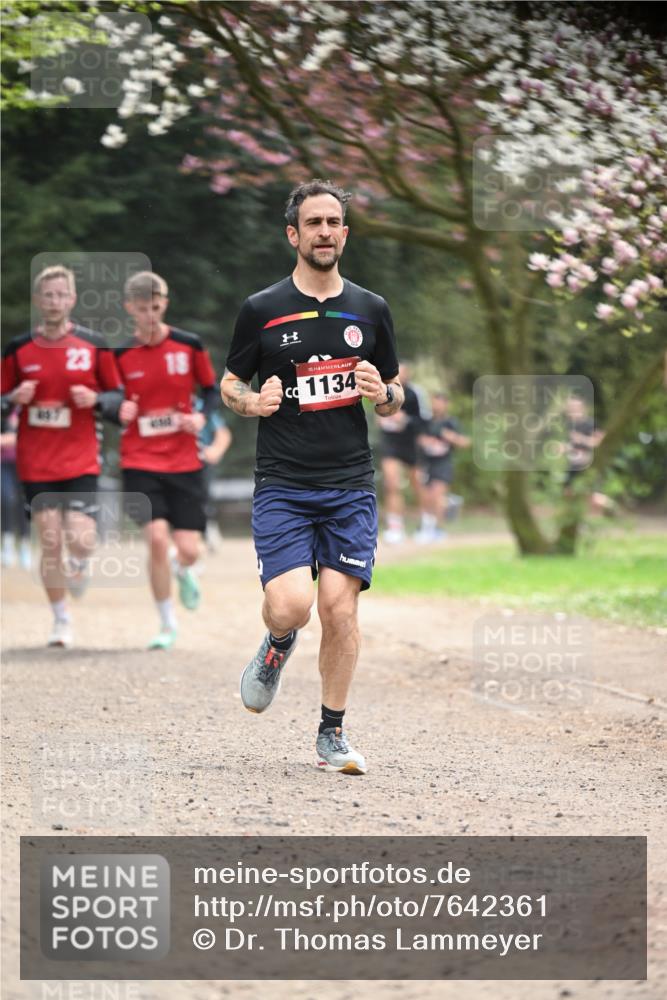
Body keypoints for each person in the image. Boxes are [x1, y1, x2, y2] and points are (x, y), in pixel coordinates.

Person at [222, 178, 404, 775]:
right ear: (293, 235)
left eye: (333, 223)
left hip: (350, 485)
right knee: (292, 606)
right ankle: (277, 644)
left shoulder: (371, 309)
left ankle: (332, 732)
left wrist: (385, 394)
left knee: (339, 610)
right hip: (284, 484)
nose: (324, 232)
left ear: (344, 234)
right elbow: (230, 383)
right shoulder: (262, 309)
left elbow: (395, 391)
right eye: (313, 223)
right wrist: (253, 403)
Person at [0, 264, 122, 647]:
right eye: (48, 295)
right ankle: (61, 620)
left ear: (72, 299)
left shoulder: (93, 344)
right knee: (50, 540)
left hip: (81, 457)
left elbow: (118, 398)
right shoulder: (18, 349)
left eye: (61, 294)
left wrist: (96, 400)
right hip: (36, 461)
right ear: (38, 300)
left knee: (80, 539)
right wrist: (12, 398)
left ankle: (81, 562)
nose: (54, 301)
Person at [114, 271, 219, 650]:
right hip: (139, 459)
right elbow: (107, 399)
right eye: (143, 308)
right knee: (157, 539)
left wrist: (201, 417)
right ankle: (166, 623)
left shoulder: (189, 345)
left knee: (189, 549)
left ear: (165, 304)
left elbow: (211, 391)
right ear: (130, 308)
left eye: (156, 307)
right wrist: (117, 409)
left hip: (184, 460)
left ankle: (182, 568)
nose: (150, 315)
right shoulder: (118, 354)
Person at [376, 360, 430, 544]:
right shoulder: (382, 389)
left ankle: (426, 524)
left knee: (418, 484)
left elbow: (424, 421)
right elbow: (377, 414)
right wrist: (382, 419)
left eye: (402, 372)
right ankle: (395, 527)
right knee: (391, 483)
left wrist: (405, 420)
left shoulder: (416, 393)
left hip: (411, 444)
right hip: (391, 444)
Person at [415, 391, 470, 542]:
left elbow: (465, 442)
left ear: (446, 404)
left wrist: (450, 437)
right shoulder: (426, 422)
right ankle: (426, 528)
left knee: (437, 495)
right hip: (427, 463)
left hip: (444, 463)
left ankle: (438, 529)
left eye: (440, 402)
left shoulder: (451, 423)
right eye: (434, 402)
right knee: (426, 497)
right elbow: (418, 438)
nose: (436, 405)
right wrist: (425, 442)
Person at [195, 397, 232, 552]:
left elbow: (222, 433)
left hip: (200, 461)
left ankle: (208, 531)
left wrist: (215, 451)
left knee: (203, 498)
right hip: (173, 463)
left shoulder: (200, 405)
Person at [1, 403, 32, 569]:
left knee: (23, 505)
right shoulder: (3, 408)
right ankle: (7, 544)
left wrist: (12, 439)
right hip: (3, 464)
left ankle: (25, 546)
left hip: (24, 464)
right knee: (6, 500)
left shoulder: (28, 410)